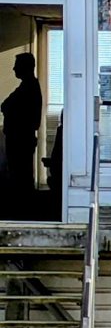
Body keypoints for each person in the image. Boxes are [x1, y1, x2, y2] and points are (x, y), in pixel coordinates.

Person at [2, 53, 42, 218]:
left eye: (17, 64)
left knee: (21, 176)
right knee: (20, 174)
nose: (13, 68)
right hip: (18, 138)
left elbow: (6, 105)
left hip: (20, 139)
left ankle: (22, 210)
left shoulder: (28, 88)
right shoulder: (27, 87)